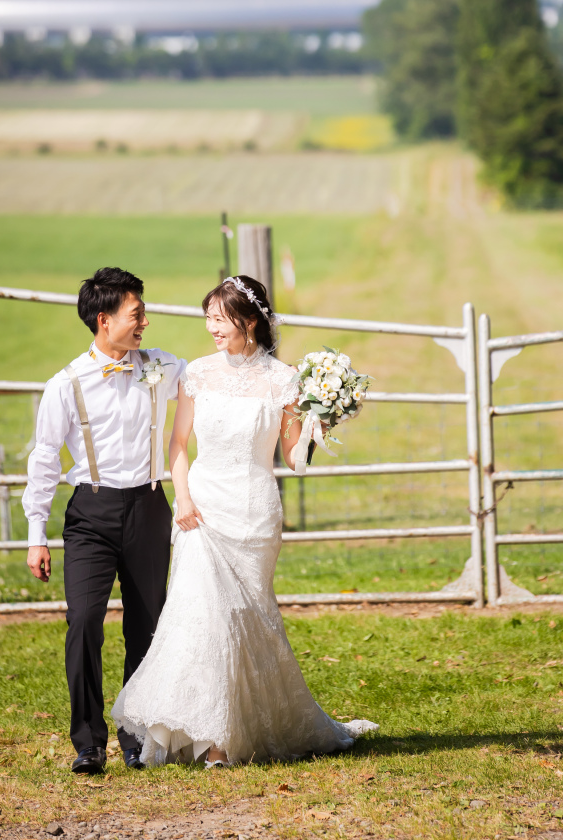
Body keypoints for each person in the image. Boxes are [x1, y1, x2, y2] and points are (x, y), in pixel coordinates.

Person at [112, 275, 377, 766]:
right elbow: (178, 445)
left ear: (249, 320)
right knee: (201, 616)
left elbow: (294, 459)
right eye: (208, 318)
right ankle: (211, 740)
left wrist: (318, 421)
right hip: (202, 509)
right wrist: (182, 499)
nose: (211, 327)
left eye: (220, 318)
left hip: (255, 510)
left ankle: (242, 728)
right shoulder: (197, 373)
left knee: (246, 618)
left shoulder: (284, 380)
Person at [23, 267, 186, 775]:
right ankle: (88, 742)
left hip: (149, 507)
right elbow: (44, 460)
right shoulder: (66, 384)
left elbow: (212, 377)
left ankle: (136, 734)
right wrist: (35, 535)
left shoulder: (161, 365)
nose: (145, 322)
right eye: (136, 314)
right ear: (104, 320)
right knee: (84, 621)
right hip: (91, 514)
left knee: (146, 626)